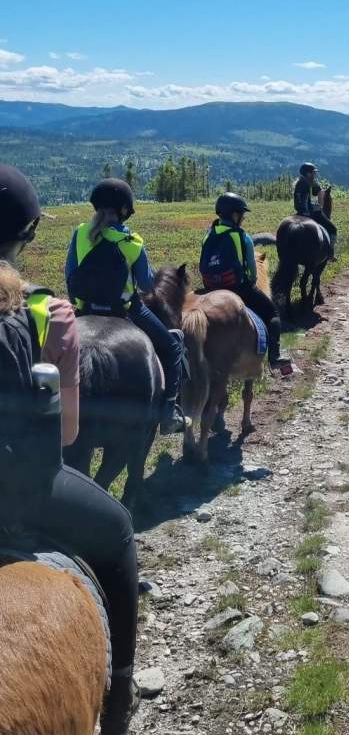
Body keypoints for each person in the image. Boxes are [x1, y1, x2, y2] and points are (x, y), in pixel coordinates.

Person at [0, 164, 140, 735]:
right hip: (17, 494)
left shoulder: (83, 237)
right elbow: (66, 436)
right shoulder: (36, 313)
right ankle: (123, 685)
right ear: (26, 234)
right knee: (119, 532)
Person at [65, 178, 186, 435]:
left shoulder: (80, 234)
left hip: (85, 311)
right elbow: (146, 284)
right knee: (173, 347)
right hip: (126, 311)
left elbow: (70, 276)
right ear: (123, 210)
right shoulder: (132, 241)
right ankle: (168, 413)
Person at [199, 192, 291, 372]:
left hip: (210, 287)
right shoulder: (242, 237)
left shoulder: (208, 235)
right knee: (272, 314)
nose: (243, 218)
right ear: (234, 215)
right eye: (241, 214)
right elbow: (252, 272)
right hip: (237, 288)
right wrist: (250, 281)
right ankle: (274, 357)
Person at [293, 163, 337, 259]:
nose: (315, 175)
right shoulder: (307, 183)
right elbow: (314, 197)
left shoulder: (300, 182)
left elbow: (314, 192)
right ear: (308, 174)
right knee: (333, 229)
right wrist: (315, 208)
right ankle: (331, 253)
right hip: (308, 213)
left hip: (298, 212)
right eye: (313, 173)